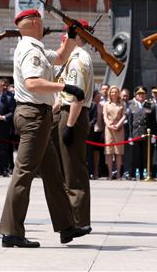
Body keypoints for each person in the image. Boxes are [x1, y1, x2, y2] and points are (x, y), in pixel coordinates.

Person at [0, 8, 90, 248]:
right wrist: (66, 88)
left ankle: (67, 226)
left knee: (52, 173)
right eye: (41, 22)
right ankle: (11, 231)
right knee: (24, 172)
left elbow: (59, 57)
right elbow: (34, 82)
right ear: (35, 23)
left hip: (39, 116)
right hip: (33, 116)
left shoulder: (34, 47)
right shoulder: (30, 49)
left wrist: (71, 37)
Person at [52, 20, 94, 230]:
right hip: (68, 113)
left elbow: (77, 96)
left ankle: (78, 220)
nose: (64, 39)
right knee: (68, 169)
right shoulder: (74, 58)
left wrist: (69, 125)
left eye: (68, 35)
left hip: (73, 115)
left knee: (73, 171)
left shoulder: (77, 60)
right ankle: (73, 217)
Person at [127, 87, 152, 179]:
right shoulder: (131, 105)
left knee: (144, 156)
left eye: (143, 94)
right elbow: (130, 123)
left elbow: (152, 122)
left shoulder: (149, 105)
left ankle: (142, 174)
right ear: (136, 96)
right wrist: (130, 136)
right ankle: (132, 174)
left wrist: (152, 135)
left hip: (146, 134)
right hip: (135, 134)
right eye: (139, 94)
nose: (141, 96)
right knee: (134, 156)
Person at [103, 85, 126, 181]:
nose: (114, 93)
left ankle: (119, 175)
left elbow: (124, 116)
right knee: (109, 152)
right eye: (112, 92)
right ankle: (110, 174)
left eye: (116, 91)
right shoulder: (106, 104)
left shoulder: (122, 104)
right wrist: (109, 125)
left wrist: (118, 125)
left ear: (118, 93)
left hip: (119, 129)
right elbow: (104, 116)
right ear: (109, 93)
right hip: (109, 129)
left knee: (118, 152)